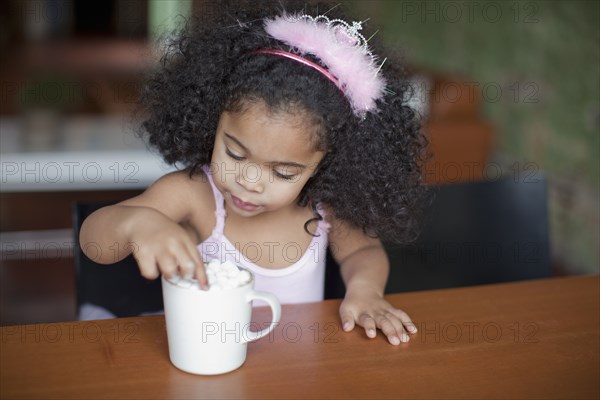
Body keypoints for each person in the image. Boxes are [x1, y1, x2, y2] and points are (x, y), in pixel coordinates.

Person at [80, 0, 429, 345]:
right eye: (234, 153)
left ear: (326, 164)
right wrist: (135, 223)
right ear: (212, 123)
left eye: (283, 173)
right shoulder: (195, 195)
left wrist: (366, 292)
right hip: (205, 358)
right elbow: (95, 243)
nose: (249, 182)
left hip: (294, 373)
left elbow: (361, 252)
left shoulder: (323, 206)